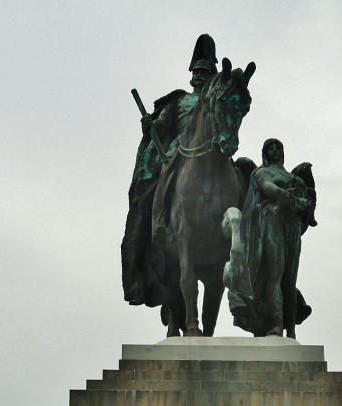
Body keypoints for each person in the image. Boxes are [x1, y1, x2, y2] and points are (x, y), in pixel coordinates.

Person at [121, 34, 219, 307]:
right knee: (167, 172)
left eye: (205, 72)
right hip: (180, 150)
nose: (200, 76)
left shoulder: (216, 101)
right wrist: (148, 124)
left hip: (212, 151)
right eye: (197, 72)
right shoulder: (179, 101)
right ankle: (160, 222)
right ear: (191, 76)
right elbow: (161, 127)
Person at [224, 138, 315, 338]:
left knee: (289, 281)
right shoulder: (261, 172)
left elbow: (307, 206)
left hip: (291, 227)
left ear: (283, 152)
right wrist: (288, 197)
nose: (275, 150)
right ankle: (276, 325)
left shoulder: (294, 177)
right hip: (271, 222)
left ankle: (290, 330)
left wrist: (306, 205)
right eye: (270, 148)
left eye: (278, 147)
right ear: (265, 153)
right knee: (275, 275)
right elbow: (268, 188)